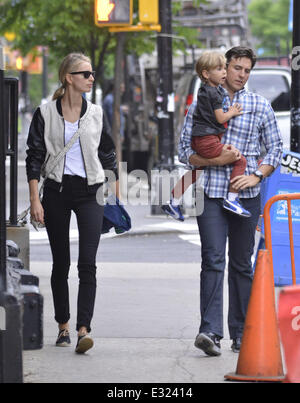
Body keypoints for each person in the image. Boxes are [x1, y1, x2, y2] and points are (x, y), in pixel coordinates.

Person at [178, 46, 283, 356]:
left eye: (247, 70)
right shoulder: (203, 102)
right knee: (212, 260)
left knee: (241, 264)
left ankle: (241, 332)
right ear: (224, 68)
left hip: (246, 196)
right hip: (209, 193)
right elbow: (185, 151)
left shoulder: (260, 105)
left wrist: (257, 176)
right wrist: (214, 161)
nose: (242, 75)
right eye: (237, 68)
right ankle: (210, 331)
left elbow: (275, 150)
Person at [26, 53, 119, 354]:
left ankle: (83, 329)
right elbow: (34, 156)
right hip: (56, 191)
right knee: (61, 263)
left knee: (88, 264)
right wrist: (34, 199)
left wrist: (113, 188)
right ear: (69, 78)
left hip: (91, 192)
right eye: (85, 73)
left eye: (92, 73)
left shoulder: (95, 113)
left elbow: (107, 151)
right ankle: (63, 325)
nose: (91, 77)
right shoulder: (45, 112)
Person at [162, 51, 251, 221]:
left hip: (200, 140)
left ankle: (173, 201)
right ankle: (232, 199)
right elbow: (220, 117)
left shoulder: (203, 90)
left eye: (224, 68)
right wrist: (231, 111)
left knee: (196, 171)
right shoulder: (215, 93)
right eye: (219, 69)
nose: (224, 72)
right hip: (208, 140)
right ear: (206, 73)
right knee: (240, 160)